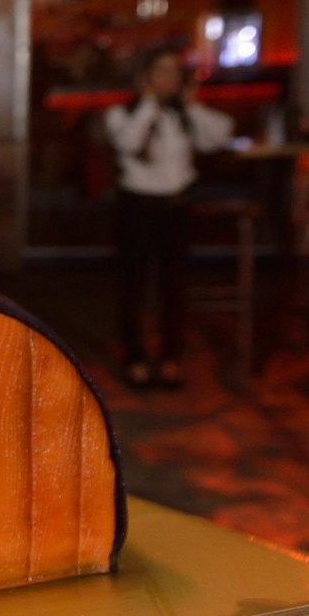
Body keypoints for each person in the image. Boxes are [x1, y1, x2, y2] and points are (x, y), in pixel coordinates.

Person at [104, 46, 234, 389]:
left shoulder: (183, 115)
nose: (170, 78)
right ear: (144, 77)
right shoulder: (123, 113)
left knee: (175, 284)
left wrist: (192, 104)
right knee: (134, 283)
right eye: (162, 70)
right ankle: (135, 356)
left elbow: (220, 135)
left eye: (175, 71)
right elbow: (127, 143)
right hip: (138, 205)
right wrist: (148, 103)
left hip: (176, 207)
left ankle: (170, 358)